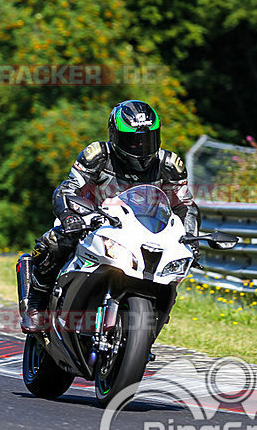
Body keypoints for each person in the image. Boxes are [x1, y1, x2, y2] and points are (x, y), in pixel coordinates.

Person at [17, 100, 201, 333]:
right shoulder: (97, 155)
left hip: (144, 228)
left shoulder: (169, 164)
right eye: (132, 141)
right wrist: (69, 215)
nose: (141, 146)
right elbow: (67, 189)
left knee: (171, 271)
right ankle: (36, 304)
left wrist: (191, 239)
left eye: (147, 139)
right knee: (55, 242)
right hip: (93, 221)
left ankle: (148, 330)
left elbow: (186, 205)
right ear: (115, 137)